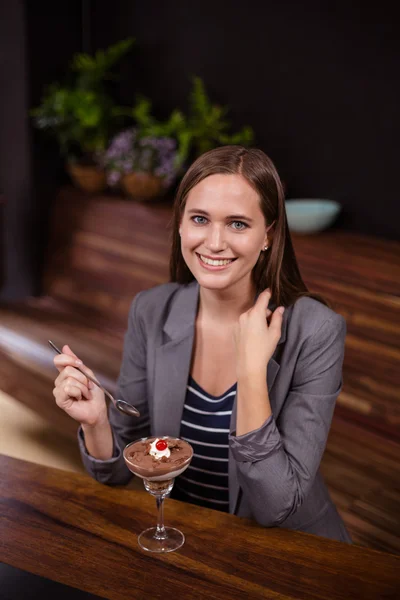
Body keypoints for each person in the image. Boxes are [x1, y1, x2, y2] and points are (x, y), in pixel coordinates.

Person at [53, 145, 352, 543]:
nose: (214, 242)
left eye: (238, 224)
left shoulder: (316, 331)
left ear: (269, 235)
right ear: (180, 225)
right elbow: (123, 468)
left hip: (290, 554)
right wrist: (96, 422)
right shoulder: (151, 309)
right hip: (188, 540)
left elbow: (277, 506)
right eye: (199, 219)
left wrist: (250, 372)